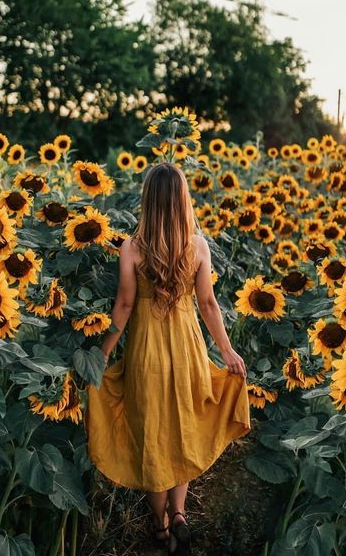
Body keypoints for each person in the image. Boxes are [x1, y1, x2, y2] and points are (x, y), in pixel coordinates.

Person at [84, 162, 251, 554]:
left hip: (147, 354)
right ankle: (179, 514)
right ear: (182, 200)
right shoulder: (197, 246)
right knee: (184, 428)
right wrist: (227, 349)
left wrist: (102, 353)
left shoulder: (132, 247)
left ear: (147, 201)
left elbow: (124, 306)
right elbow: (208, 304)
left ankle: (159, 529)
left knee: (153, 436)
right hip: (188, 349)